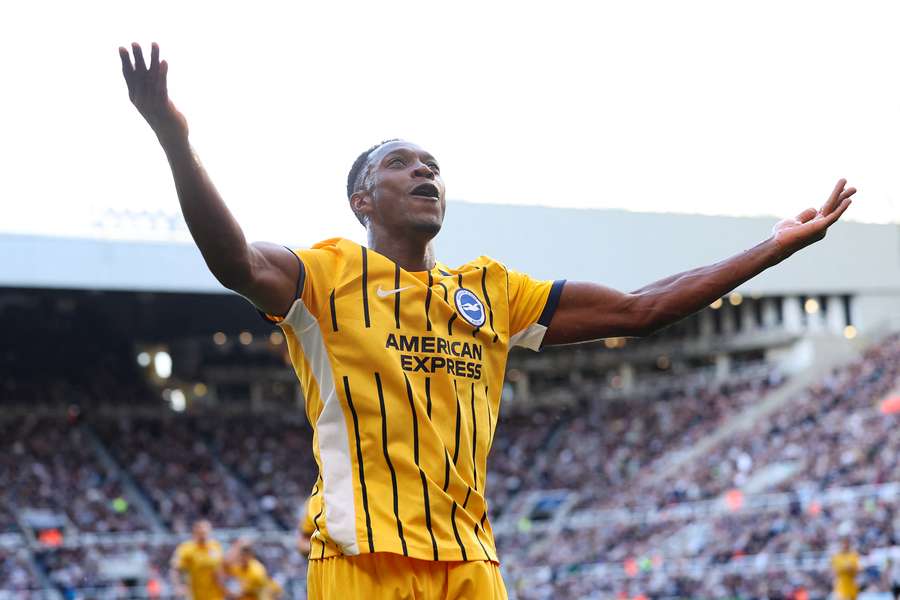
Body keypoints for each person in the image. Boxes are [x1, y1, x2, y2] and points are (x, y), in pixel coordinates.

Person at [119, 42, 856, 600]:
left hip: (472, 564)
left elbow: (642, 310)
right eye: (401, 164)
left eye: (432, 164)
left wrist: (772, 248)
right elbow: (234, 262)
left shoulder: (492, 292)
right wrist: (173, 137)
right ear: (361, 200)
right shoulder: (325, 275)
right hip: (358, 561)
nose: (424, 172)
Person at [170, 520, 225, 600]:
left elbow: (221, 568)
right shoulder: (186, 548)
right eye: (202, 533)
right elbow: (175, 569)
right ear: (195, 532)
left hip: (216, 596)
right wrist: (178, 586)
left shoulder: (215, 546)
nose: (204, 535)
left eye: (206, 532)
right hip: (196, 596)